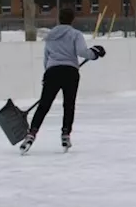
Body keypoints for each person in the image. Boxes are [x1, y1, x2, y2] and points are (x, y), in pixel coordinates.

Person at [20, 8, 105, 152]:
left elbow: (46, 58)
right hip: (70, 72)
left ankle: (31, 133)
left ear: (59, 19)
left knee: (44, 105)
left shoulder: (50, 36)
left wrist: (47, 74)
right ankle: (65, 134)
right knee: (69, 104)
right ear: (72, 19)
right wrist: (95, 53)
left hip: (52, 72)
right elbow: (82, 52)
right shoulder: (75, 34)